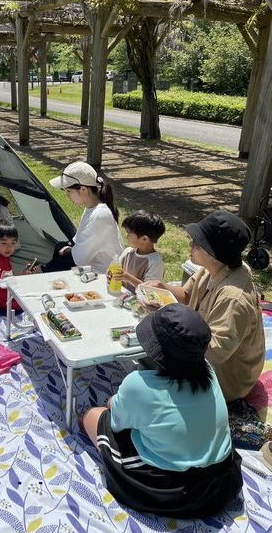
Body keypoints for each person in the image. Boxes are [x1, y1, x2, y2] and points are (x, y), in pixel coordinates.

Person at [81, 303, 242, 518]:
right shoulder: (209, 372)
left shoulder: (138, 385)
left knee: (93, 416)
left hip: (172, 491)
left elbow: (116, 422)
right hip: (221, 482)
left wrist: (114, 402)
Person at [146, 210, 265, 403]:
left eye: (197, 243)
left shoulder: (234, 298)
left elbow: (215, 354)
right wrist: (162, 287)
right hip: (201, 354)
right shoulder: (213, 268)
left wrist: (171, 335)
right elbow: (186, 295)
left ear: (214, 253)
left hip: (227, 380)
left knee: (149, 375)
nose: (190, 245)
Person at [44, 162, 123, 273]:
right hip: (90, 266)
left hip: (103, 275)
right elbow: (78, 241)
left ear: (83, 190)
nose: (67, 195)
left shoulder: (99, 215)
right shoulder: (91, 208)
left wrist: (66, 251)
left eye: (68, 191)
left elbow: (79, 259)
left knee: (57, 262)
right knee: (59, 247)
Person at [115, 210, 165, 292]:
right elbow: (117, 271)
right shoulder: (128, 252)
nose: (126, 236)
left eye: (129, 234)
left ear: (144, 239)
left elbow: (150, 290)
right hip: (121, 296)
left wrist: (129, 278)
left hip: (139, 302)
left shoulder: (155, 262)